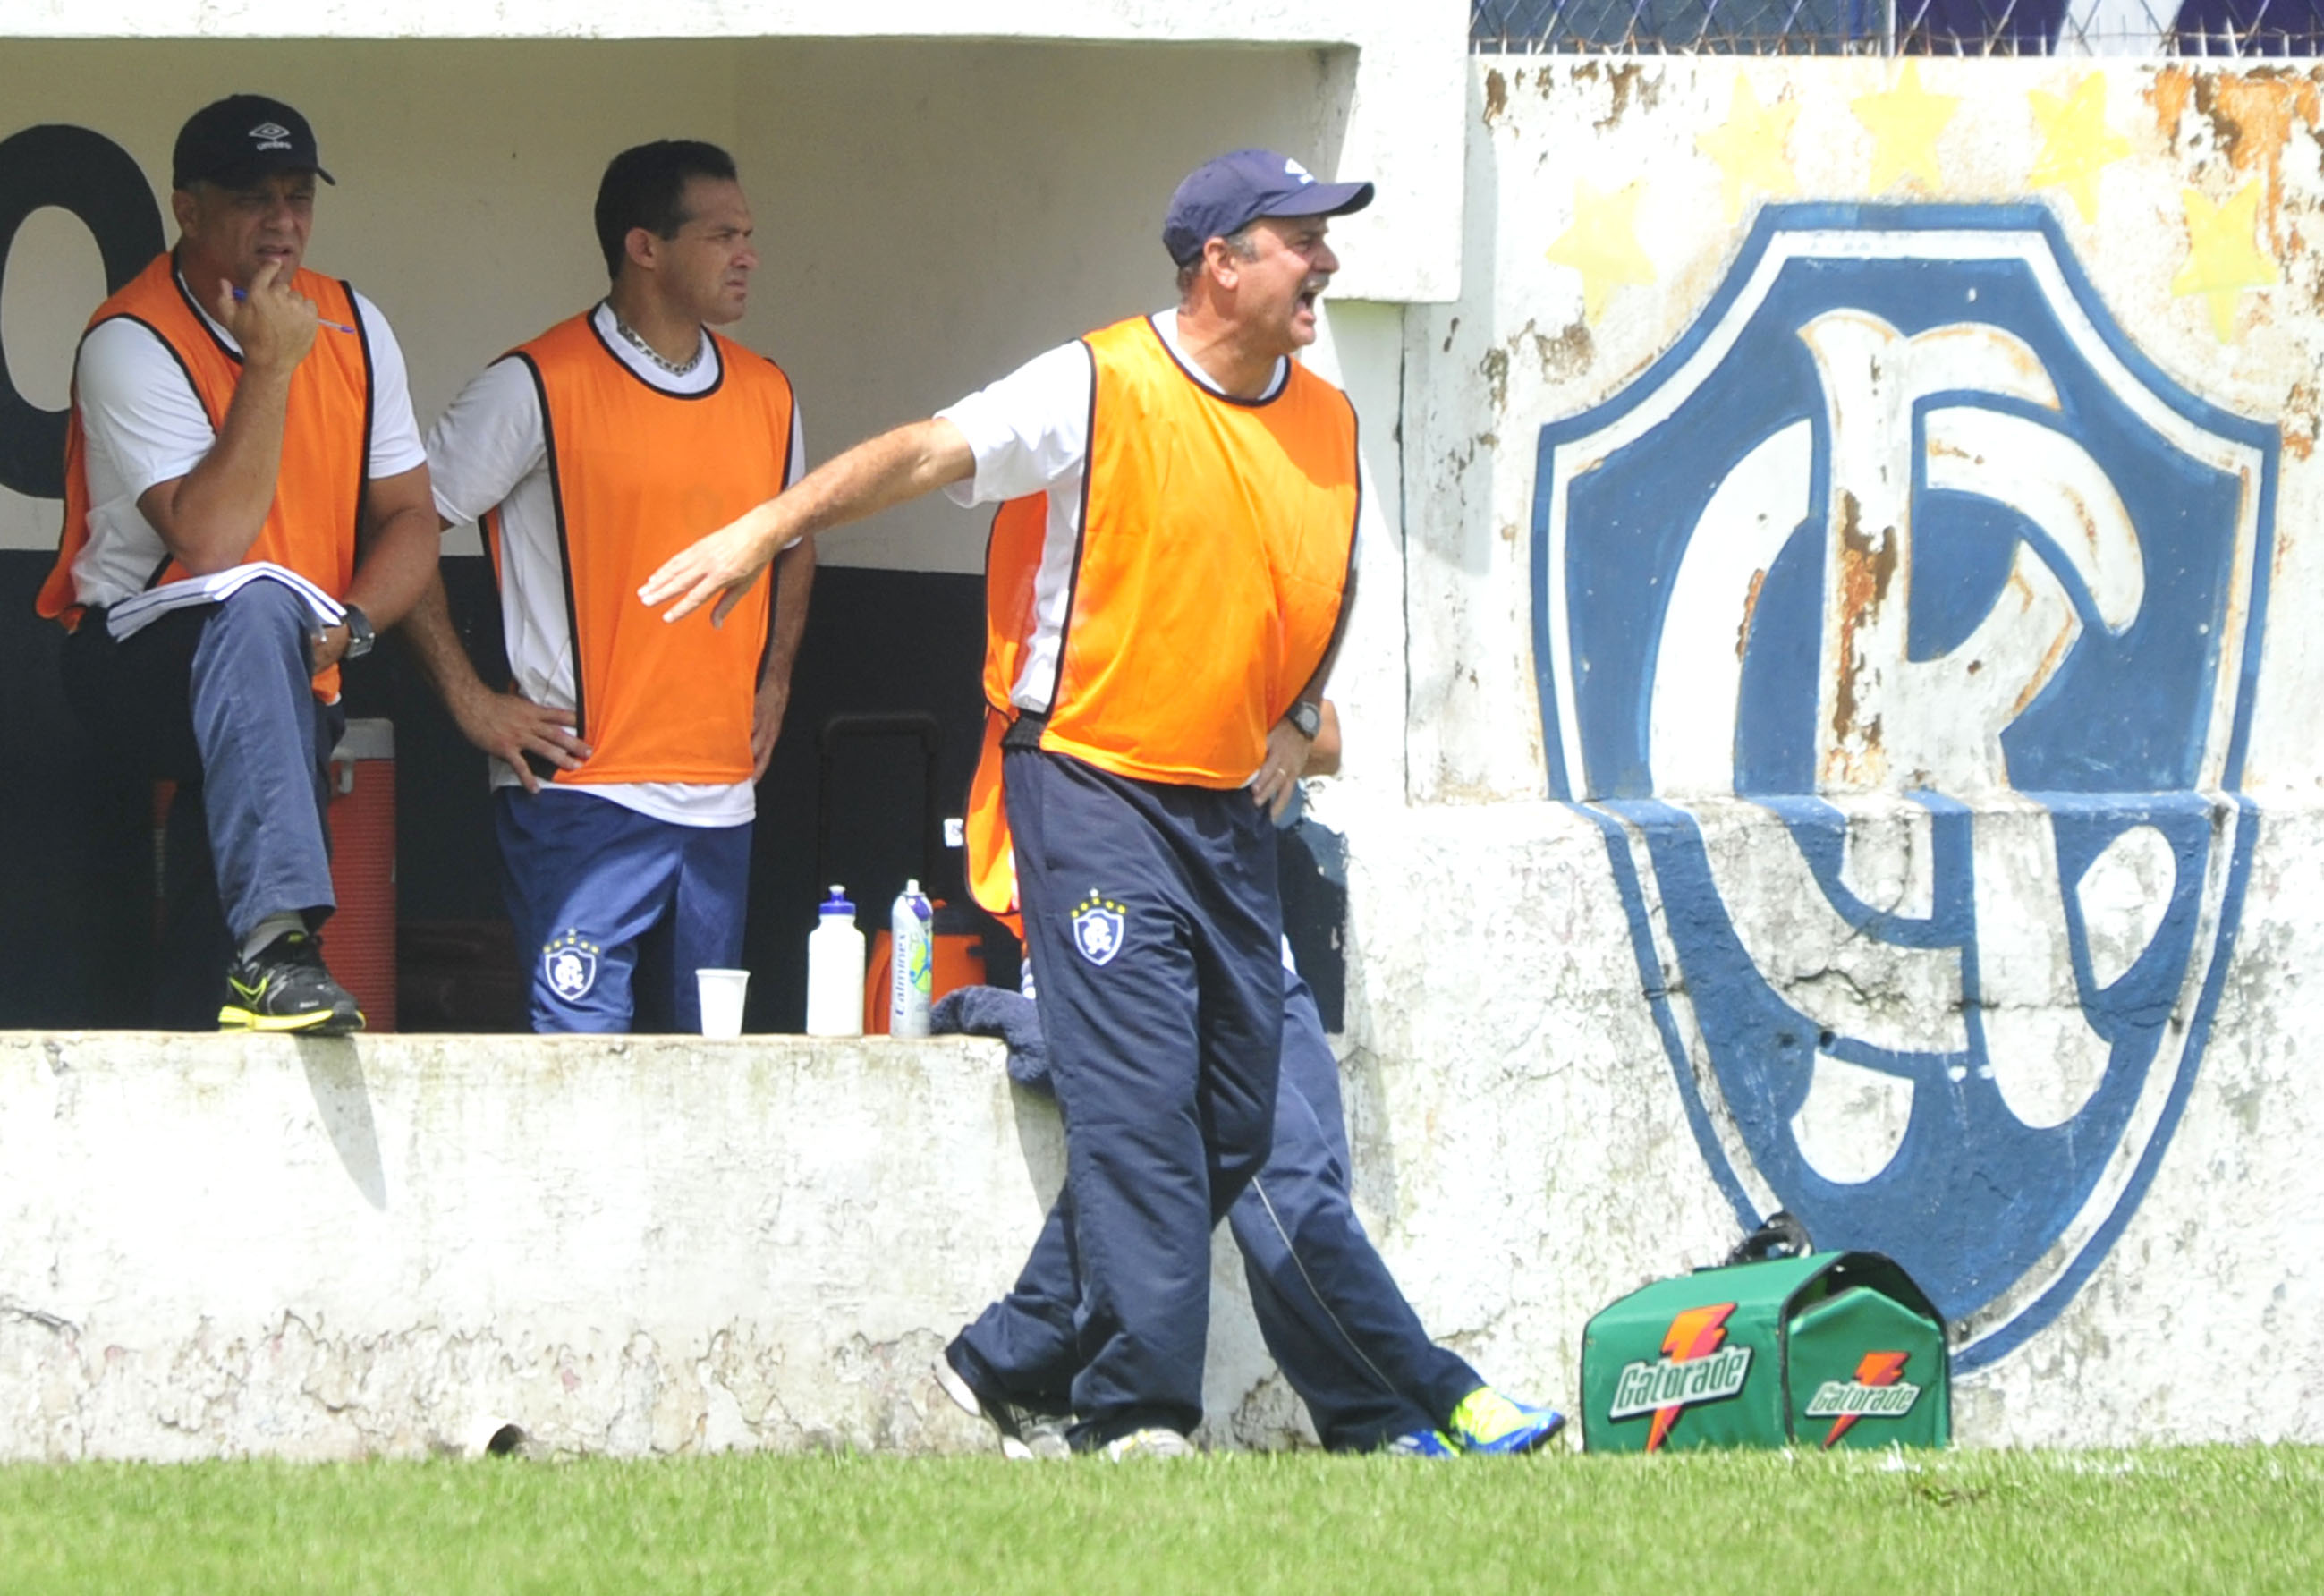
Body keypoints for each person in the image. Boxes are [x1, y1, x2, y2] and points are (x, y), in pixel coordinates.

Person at [642, 149, 1371, 1456]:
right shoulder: (1097, 381)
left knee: (1234, 1111)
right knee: (1140, 1101)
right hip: (1088, 781)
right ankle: (1136, 1412)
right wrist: (768, 526)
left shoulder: (1329, 418)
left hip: (1222, 805)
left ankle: (1003, 1360)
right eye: (1299, 238)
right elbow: (929, 449)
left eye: (1324, 237)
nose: (1324, 260)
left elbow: (1325, 575)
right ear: (1219, 263)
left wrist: (1298, 710)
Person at [933, 705, 1567, 1459]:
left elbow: (1324, 733)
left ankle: (1008, 1360)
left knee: (1295, 1190)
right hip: (1122, 939)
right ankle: (1436, 1395)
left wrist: (1261, 722)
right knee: (1281, 1180)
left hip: (1255, 950)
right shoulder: (1086, 655)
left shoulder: (1235, 639)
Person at [38, 93, 439, 1034]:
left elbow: (413, 518)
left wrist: (355, 625)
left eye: (298, 196)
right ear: (188, 208)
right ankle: (279, 946)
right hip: (136, 660)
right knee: (254, 601)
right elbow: (211, 542)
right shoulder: (130, 334)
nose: (282, 221)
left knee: (211, 959)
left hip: (295, 659)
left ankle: (221, 1001)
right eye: (254, 197)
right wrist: (270, 367)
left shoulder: (355, 323)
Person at [403, 140, 812, 1035]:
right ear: (645, 247)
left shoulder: (769, 390)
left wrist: (776, 676)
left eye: (748, 235)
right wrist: (471, 700)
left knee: (703, 1062)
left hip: (721, 794)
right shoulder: (535, 383)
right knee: (581, 1062)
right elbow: (402, 524)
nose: (748, 255)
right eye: (723, 236)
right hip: (581, 792)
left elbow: (795, 536)